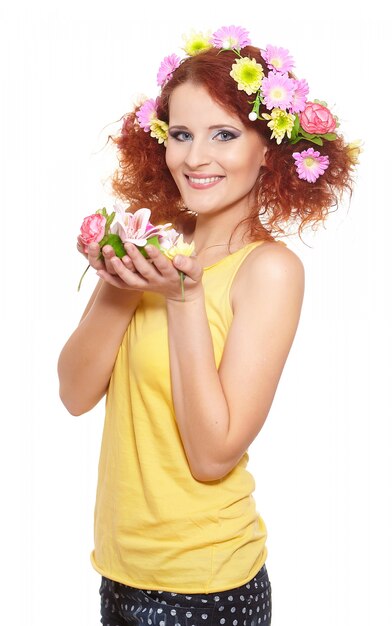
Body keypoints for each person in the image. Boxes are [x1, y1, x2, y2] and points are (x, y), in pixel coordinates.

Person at [58, 25, 356, 626]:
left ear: (268, 150)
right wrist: (120, 281)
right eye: (181, 134)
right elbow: (73, 394)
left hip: (207, 588)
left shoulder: (268, 271)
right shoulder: (156, 248)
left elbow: (213, 455)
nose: (195, 158)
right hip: (119, 572)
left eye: (224, 134)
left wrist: (183, 298)